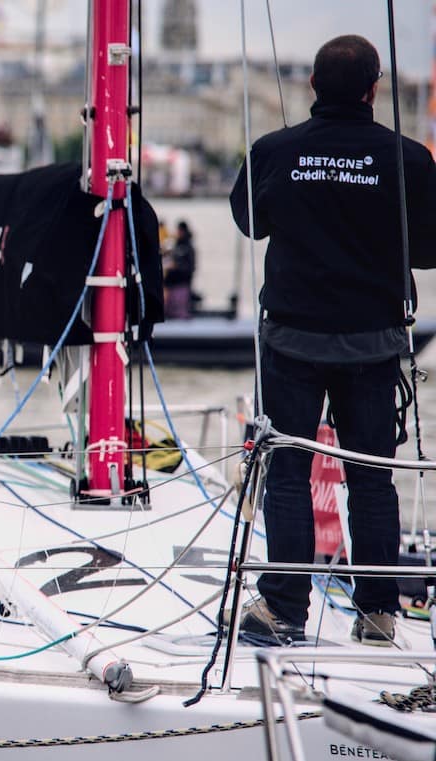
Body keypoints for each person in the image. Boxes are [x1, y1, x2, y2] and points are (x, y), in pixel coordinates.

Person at [230, 35, 436, 646]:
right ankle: (377, 614)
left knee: (289, 472)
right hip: (373, 344)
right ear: (375, 89)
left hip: (292, 339)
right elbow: (429, 251)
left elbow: (248, 220)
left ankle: (285, 611)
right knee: (372, 478)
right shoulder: (410, 159)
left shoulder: (276, 150)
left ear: (312, 87)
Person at [163, 220, 196, 319]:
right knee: (171, 309)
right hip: (172, 284)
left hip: (181, 284)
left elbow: (189, 266)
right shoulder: (176, 245)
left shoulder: (187, 247)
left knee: (179, 311)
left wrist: (176, 266)